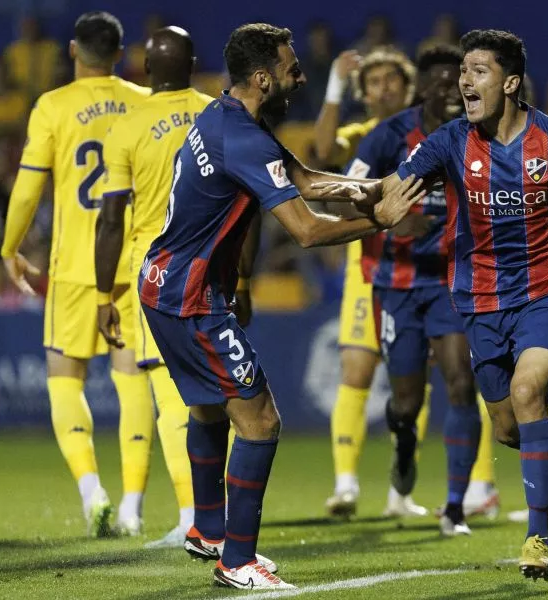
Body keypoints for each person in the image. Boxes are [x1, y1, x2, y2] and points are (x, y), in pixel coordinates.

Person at [318, 29, 548, 581]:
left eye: (478, 71)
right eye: (463, 71)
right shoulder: (448, 142)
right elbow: (391, 194)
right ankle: (547, 441)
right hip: (481, 298)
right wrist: (308, 192)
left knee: (527, 389)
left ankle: (538, 536)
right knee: (510, 427)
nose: (464, 81)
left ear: (511, 82)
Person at [137, 23, 423, 590]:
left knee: (211, 409)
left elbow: (306, 178)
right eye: (292, 68)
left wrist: (372, 186)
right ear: (264, 77)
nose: (300, 74)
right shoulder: (243, 138)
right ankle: (237, 562)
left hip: (164, 283)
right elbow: (308, 232)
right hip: (190, 298)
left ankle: (208, 530)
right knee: (261, 421)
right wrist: (379, 220)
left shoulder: (227, 118)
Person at [1, 11, 152, 538]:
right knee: (133, 381)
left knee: (65, 380)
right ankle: (133, 505)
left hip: (72, 268)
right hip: (131, 265)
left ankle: (93, 493)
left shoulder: (53, 106)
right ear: (120, 52)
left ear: (72, 50)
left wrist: (10, 247)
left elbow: (26, 189)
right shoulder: (143, 102)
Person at [345, 44, 483, 536]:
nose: (454, 90)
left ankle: (454, 508)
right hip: (397, 284)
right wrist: (388, 223)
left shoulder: (480, 136)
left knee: (462, 384)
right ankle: (404, 443)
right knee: (406, 403)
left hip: (453, 282)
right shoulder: (391, 135)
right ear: (422, 88)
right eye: (443, 82)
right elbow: (348, 194)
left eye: (462, 81)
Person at [95, 26, 213, 547]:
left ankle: (195, 516)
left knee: (171, 395)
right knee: (213, 393)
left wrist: (104, 295)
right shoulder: (217, 113)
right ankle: (214, 512)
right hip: (214, 263)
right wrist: (248, 274)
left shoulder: (128, 126)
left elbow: (111, 218)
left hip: (157, 269)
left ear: (144, 69)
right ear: (193, 63)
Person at [313, 47, 433, 518]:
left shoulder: (431, 137)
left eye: (393, 80)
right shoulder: (361, 134)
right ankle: (345, 485)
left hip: (423, 270)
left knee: (412, 384)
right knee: (357, 373)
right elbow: (323, 153)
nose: (384, 88)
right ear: (364, 93)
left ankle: (401, 493)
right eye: (375, 82)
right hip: (368, 272)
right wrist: (334, 86)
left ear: (408, 89)